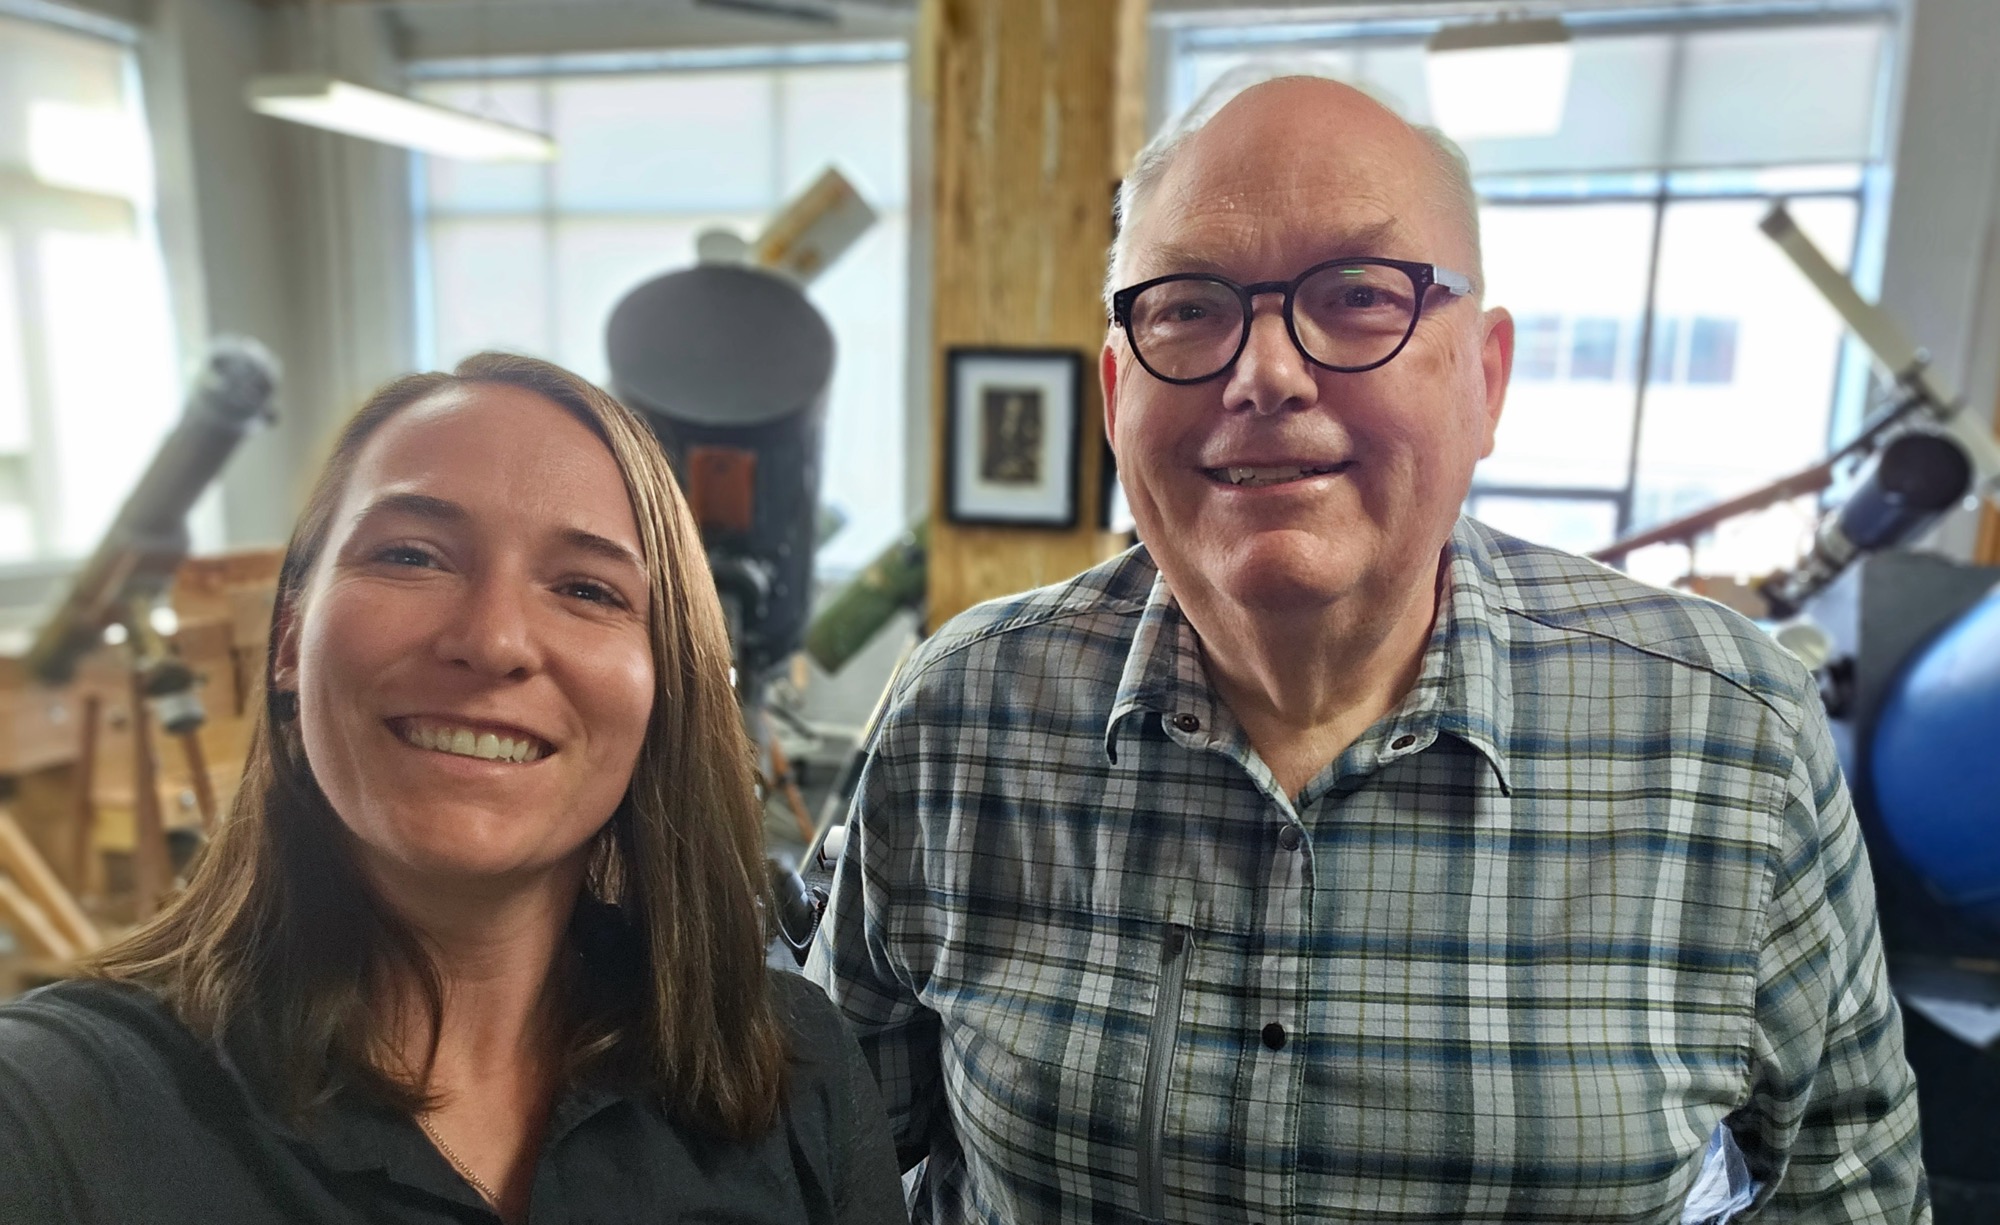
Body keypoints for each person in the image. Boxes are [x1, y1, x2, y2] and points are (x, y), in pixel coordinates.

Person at [807, 74, 1928, 1223]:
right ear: (1113, 391)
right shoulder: (961, 712)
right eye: (1186, 307)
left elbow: (1846, 1193)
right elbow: (818, 1159)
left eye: (1356, 295)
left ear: (1484, 379)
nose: (1264, 373)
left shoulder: (1732, 741)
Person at [0, 353, 905, 1224]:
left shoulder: (796, 1071)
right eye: (411, 556)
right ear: (289, 637)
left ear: (669, 683)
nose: (493, 639)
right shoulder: (57, 1113)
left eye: (588, 589)